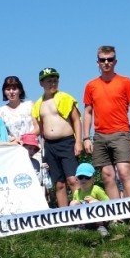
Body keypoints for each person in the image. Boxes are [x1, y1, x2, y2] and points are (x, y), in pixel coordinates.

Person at [83, 46, 130, 202]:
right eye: (103, 60)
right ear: (98, 63)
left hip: (121, 132)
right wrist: (86, 138)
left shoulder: (125, 81)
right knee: (107, 175)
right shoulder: (91, 85)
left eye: (110, 59)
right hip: (100, 135)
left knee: (124, 172)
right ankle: (118, 215)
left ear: (115, 61)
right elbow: (87, 112)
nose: (106, 62)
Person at [32, 67, 82, 208]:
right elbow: (40, 129)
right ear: (41, 83)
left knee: (73, 179)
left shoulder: (66, 98)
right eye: (49, 81)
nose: (52, 83)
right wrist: (40, 147)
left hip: (67, 142)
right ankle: (65, 217)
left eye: (55, 80)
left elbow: (77, 120)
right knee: (58, 183)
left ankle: (81, 213)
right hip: (50, 145)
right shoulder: (38, 104)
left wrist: (78, 141)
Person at [69, 163, 110, 238]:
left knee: (93, 202)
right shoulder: (77, 192)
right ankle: (81, 226)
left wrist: (95, 200)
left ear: (93, 179)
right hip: (85, 219)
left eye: (87, 177)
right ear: (76, 179)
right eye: (81, 177)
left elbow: (108, 203)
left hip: (99, 219)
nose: (84, 179)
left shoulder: (97, 189)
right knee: (73, 203)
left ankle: (101, 226)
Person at [0, 76, 39, 144]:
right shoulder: (0, 112)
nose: (11, 92)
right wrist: (12, 140)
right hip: (12, 148)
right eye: (8, 89)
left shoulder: (30, 105)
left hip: (31, 146)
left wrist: (22, 139)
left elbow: (38, 128)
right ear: (4, 92)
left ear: (20, 90)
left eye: (14, 89)